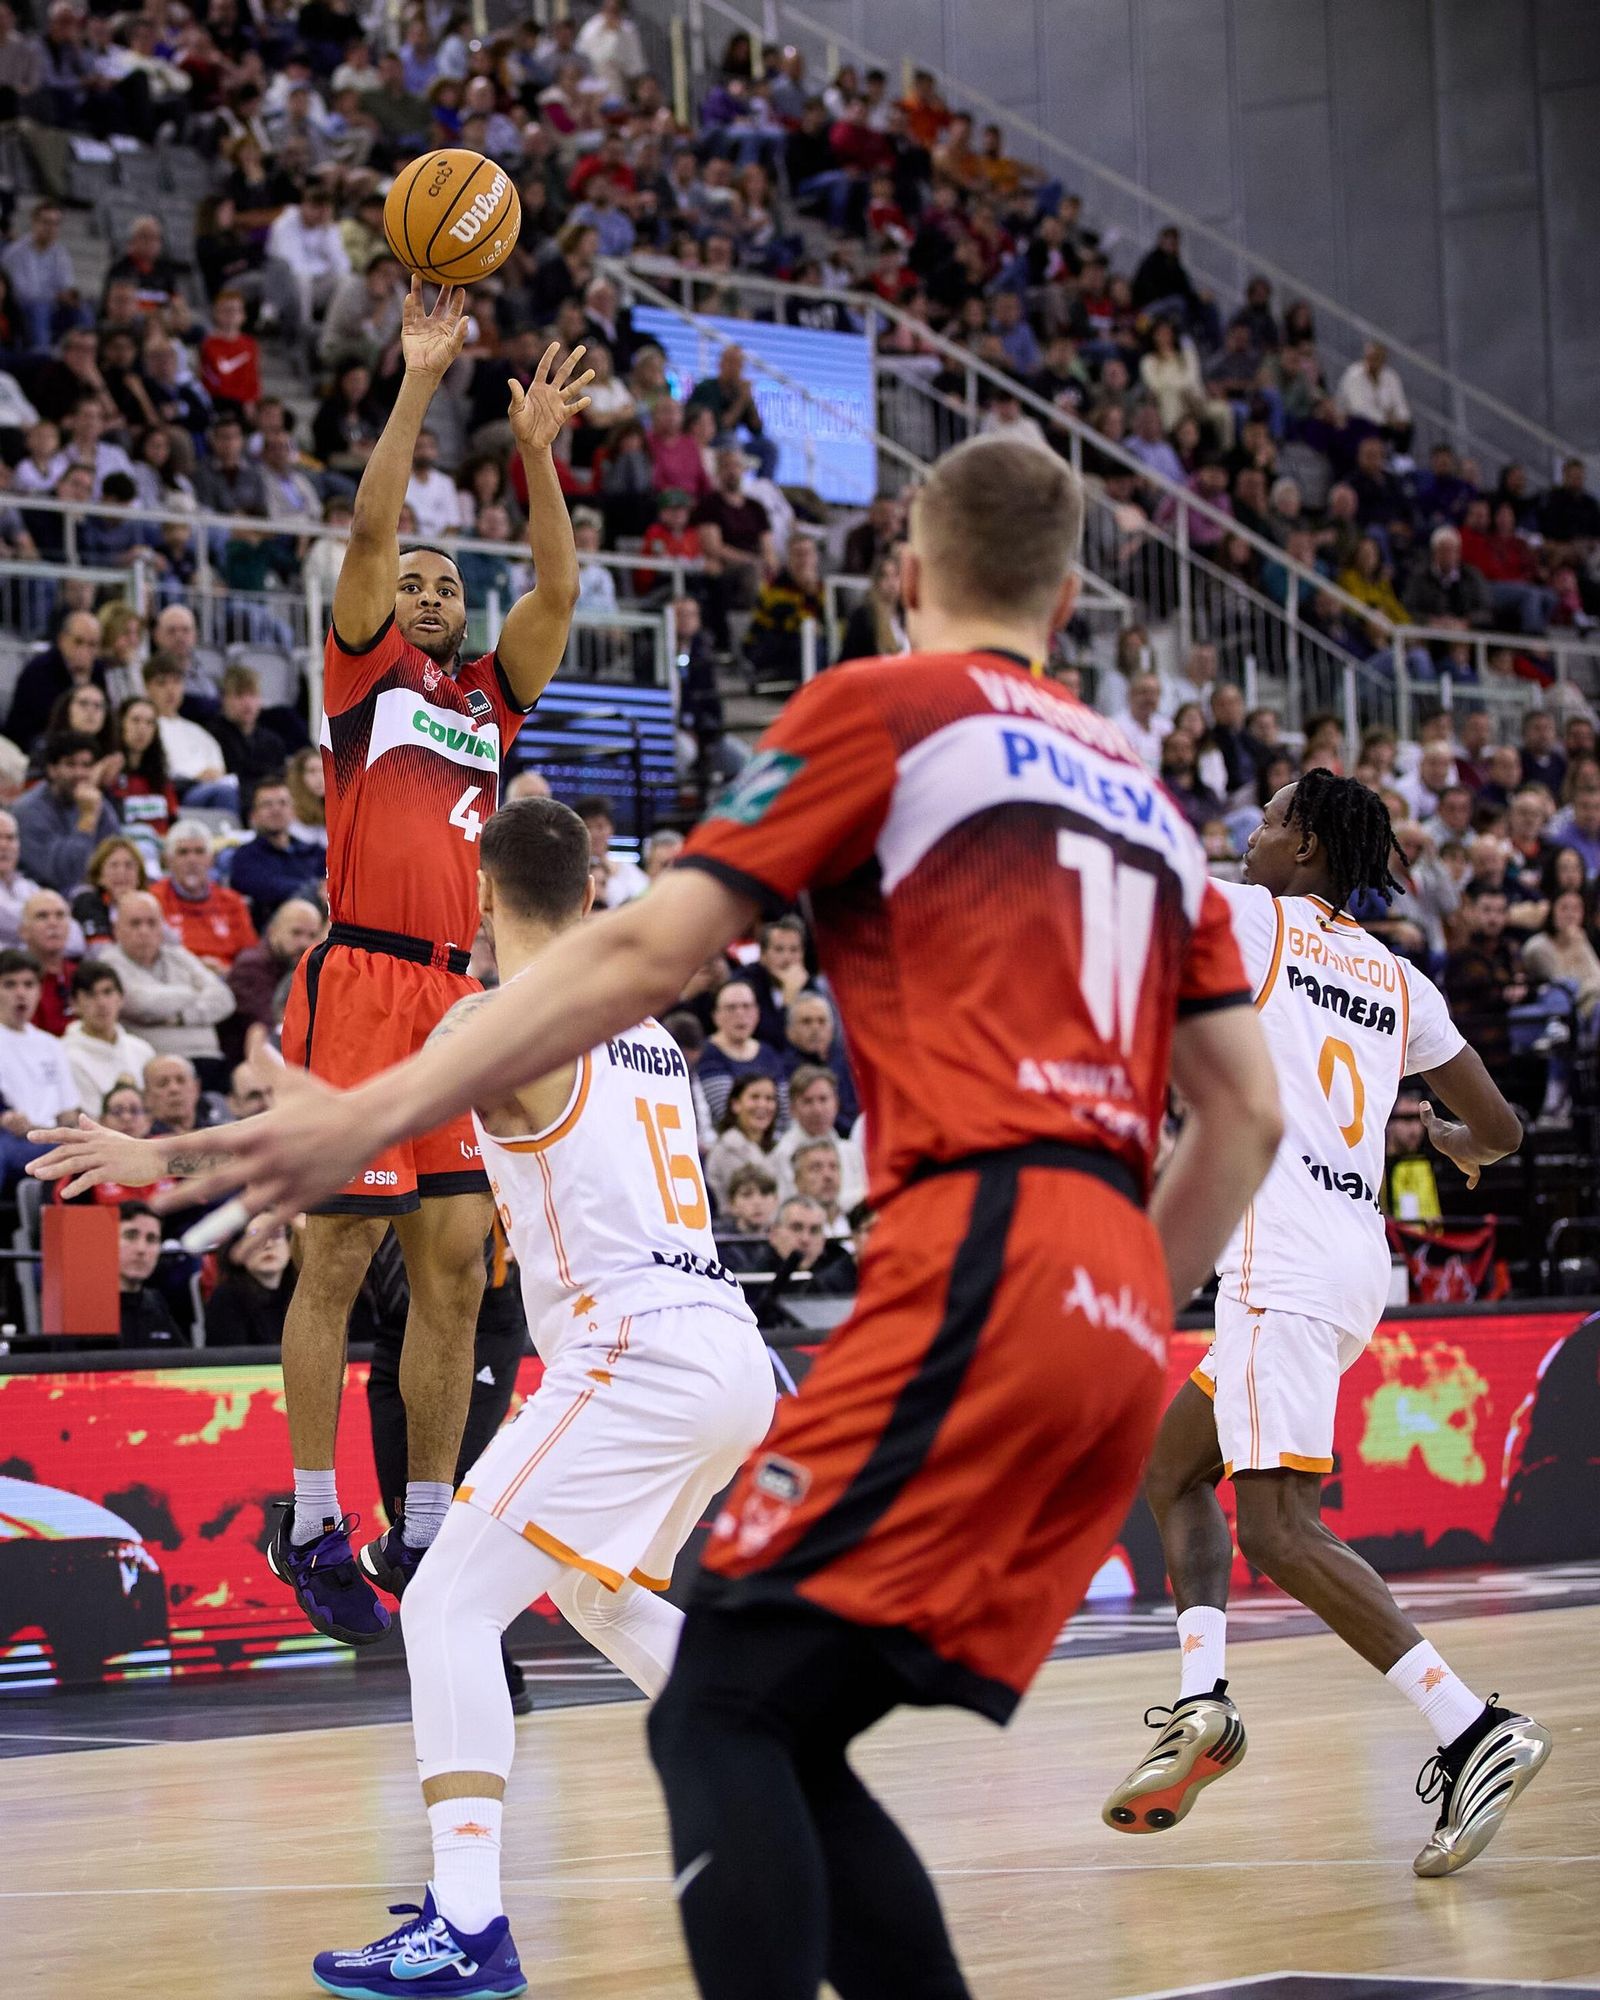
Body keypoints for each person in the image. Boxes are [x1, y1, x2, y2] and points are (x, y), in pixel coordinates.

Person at [159, 434, 1282, 2000]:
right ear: (1076, 592)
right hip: (1076, 1330)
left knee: (479, 1618)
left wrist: (316, 1120)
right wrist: (1120, 1304)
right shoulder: (1152, 804)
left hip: (917, 1304)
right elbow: (1250, 1117)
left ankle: (470, 1925)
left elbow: (627, 960)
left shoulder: (882, 712)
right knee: (716, 1689)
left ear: (902, 579)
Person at [1103, 770, 1543, 1879]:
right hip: (1351, 1257)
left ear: (1301, 844)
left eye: (1262, 822)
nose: (1245, 836)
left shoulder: (1256, 917)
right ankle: (1201, 1702)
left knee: (1279, 1530)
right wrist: (1452, 1144)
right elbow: (1502, 1125)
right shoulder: (1399, 976)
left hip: (1280, 1257)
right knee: (1172, 1469)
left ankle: (1468, 1726)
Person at [261, 282, 590, 1645]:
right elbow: (371, 524)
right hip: (360, 985)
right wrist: (419, 379)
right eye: (420, 582)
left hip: (458, 1000)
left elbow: (558, 588)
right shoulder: (363, 676)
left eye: (450, 581)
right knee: (335, 1266)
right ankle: (307, 1519)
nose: (435, 588)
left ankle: (429, 1528)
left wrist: (537, 460)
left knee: (455, 1271)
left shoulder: (481, 700)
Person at [97, 888, 235, 1066]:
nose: (144, 931)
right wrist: (194, 992)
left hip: (209, 1057)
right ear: (116, 930)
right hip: (154, 1064)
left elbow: (225, 999)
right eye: (135, 924)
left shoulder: (178, 955)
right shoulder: (109, 963)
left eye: (152, 923)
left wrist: (181, 1017)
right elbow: (140, 1003)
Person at [0, 947, 77, 1189]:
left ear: (39, 991)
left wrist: (41, 1130)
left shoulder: (52, 1045)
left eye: (28, 984)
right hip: (9, 1141)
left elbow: (68, 1114)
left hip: (49, 1139)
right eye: (10, 985)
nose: (20, 993)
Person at [13, 730, 120, 892]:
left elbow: (117, 853)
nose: (80, 773)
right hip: (44, 897)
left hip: (96, 894)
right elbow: (63, 875)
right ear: (52, 770)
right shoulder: (28, 811)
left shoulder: (98, 803)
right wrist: (87, 818)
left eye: (86, 765)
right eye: (70, 764)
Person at [227, 775, 326, 929]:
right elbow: (265, 888)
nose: (276, 809)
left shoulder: (315, 852)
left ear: (293, 811)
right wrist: (315, 889)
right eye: (267, 804)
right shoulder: (244, 857)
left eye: (283, 803)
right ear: (253, 816)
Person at [696, 976, 787, 1126]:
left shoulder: (768, 1053)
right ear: (716, 1016)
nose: (740, 1013)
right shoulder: (707, 1053)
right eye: (731, 1008)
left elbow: (785, 1112)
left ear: (757, 1013)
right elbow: (725, 1112)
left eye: (746, 1006)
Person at [62, 960, 155, 1106]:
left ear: (121, 998)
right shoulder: (65, 1055)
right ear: (74, 1004)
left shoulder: (142, 1049)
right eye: (90, 995)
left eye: (107, 992)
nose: (101, 1003)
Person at [206, 1214, 298, 1345]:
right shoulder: (226, 1297)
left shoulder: (303, 1293)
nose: (268, 1245)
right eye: (256, 1236)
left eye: (276, 1234)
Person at [703, 1070, 780, 1210]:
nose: (762, 1105)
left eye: (769, 1099)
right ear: (735, 1104)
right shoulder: (726, 1149)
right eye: (754, 1097)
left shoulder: (776, 1148)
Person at [117, 1200, 183, 1345]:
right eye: (130, 1236)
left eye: (152, 1239)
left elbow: (187, 1362)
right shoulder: (83, 1309)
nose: (141, 1249)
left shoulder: (156, 1303)